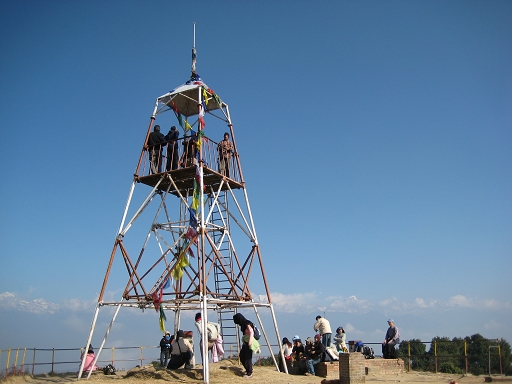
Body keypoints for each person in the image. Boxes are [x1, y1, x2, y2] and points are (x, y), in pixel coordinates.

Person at [233, 313, 259, 379]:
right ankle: (248, 369)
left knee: (247, 357)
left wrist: (250, 341)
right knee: (242, 356)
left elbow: (251, 331)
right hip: (246, 342)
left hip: (249, 342)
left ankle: (249, 373)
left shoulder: (246, 323)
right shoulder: (243, 324)